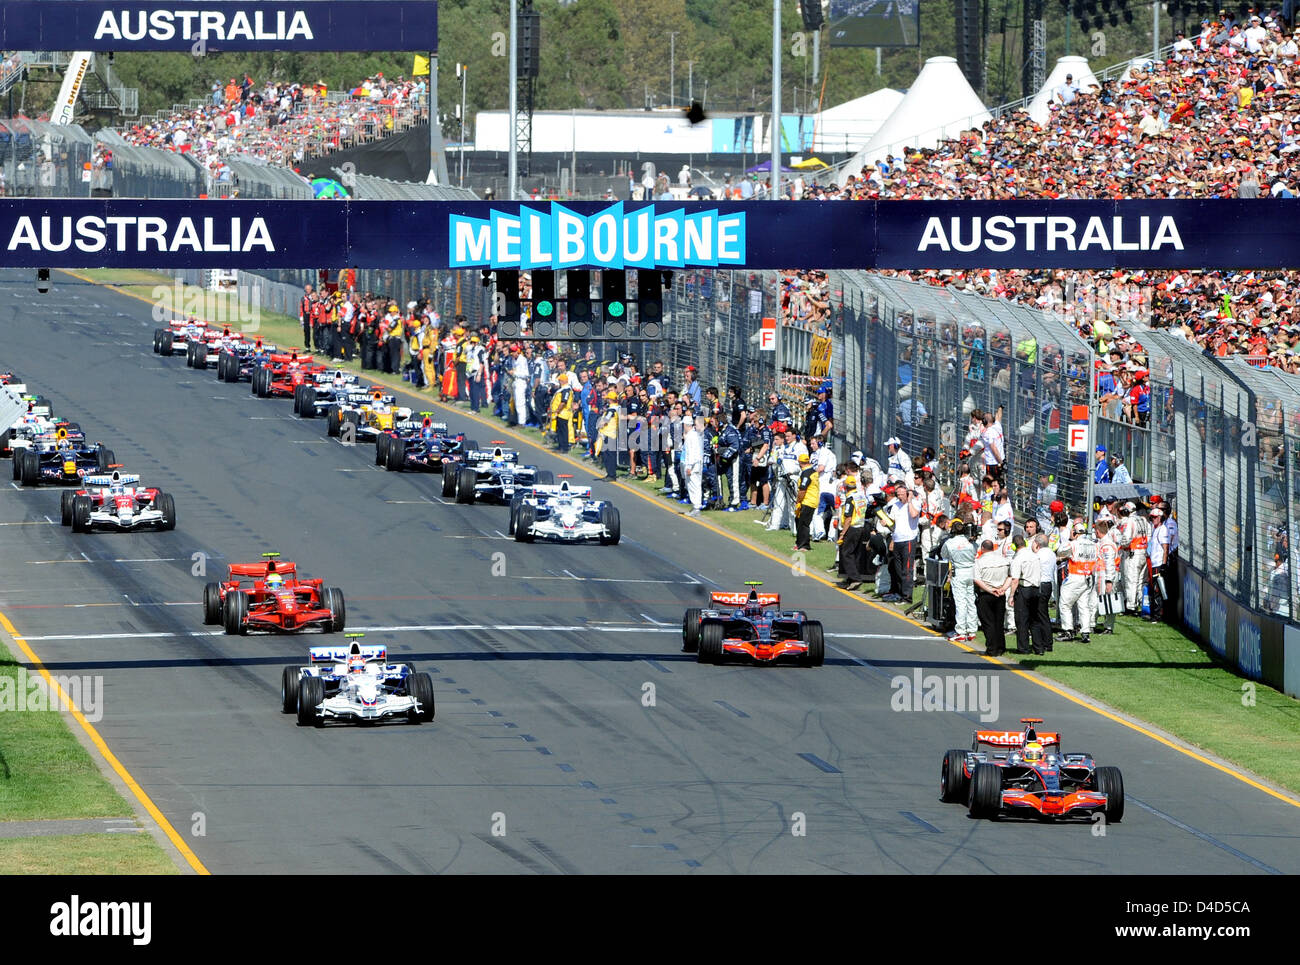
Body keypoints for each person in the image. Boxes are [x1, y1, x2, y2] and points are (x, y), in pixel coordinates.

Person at [1058, 521, 1099, 643]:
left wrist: (1070, 540)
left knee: (1065, 604)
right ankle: (1085, 633)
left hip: (1075, 576)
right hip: (1088, 577)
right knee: (1084, 606)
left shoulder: (1074, 544)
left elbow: (1060, 551)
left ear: (1076, 533)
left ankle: (1068, 631)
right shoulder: (1094, 544)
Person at [884, 483, 921, 604]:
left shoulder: (914, 503)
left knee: (907, 569)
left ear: (907, 493)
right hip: (898, 539)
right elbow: (893, 524)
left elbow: (914, 515)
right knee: (898, 569)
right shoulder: (895, 506)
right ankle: (900, 593)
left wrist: (909, 501)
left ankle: (907, 596)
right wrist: (886, 523)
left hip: (908, 539)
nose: (899, 496)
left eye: (901, 494)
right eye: (897, 494)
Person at [973, 539, 1012, 657]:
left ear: (982, 549)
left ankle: (992, 648)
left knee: (988, 622)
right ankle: (1000, 647)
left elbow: (977, 579)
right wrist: (1003, 588)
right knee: (999, 621)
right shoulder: (1003, 560)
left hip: (986, 593)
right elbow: (1011, 576)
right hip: (1000, 593)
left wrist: (990, 590)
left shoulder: (979, 562)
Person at [941, 519, 978, 642]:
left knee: (961, 602)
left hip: (959, 572)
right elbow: (976, 553)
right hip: (971, 571)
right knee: (971, 601)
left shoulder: (949, 543)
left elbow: (944, 556)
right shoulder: (970, 542)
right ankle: (972, 630)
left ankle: (961, 631)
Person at [1008, 534, 1045, 654]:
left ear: (1014, 546)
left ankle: (1023, 648)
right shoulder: (1034, 555)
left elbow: (1015, 579)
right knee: (1035, 619)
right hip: (1036, 589)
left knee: (1022, 620)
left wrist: (1011, 595)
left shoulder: (1017, 559)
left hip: (1024, 589)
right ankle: (1039, 648)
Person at [835, 475, 869, 590]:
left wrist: (842, 533)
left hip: (852, 528)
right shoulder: (861, 496)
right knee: (854, 554)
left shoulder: (850, 499)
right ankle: (850, 579)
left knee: (846, 553)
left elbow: (848, 518)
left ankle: (855, 579)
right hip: (861, 526)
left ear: (845, 487)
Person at [1095, 518, 1121, 635]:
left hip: (1106, 576)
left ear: (1097, 531)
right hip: (1102, 576)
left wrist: (1109, 581)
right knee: (1099, 601)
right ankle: (1094, 624)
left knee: (1108, 601)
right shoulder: (1103, 542)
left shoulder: (1107, 545)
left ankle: (1108, 627)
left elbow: (1109, 563)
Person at [793, 451, 819, 552]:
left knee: (803, 523)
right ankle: (799, 543)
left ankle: (804, 545)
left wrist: (798, 501)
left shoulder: (806, 473)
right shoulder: (813, 471)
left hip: (808, 501)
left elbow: (803, 489)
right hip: (811, 500)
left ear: (800, 463)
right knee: (799, 521)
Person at [682, 416, 704, 517]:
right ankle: (696, 507)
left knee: (693, 485)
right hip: (697, 464)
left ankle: (696, 507)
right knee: (696, 485)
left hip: (693, 465)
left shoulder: (691, 436)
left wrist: (689, 466)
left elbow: (691, 453)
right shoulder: (695, 435)